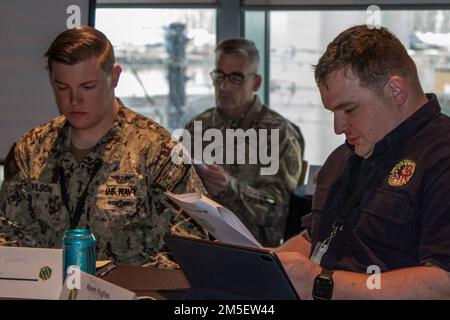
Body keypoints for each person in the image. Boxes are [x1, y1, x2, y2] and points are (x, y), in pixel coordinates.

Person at [0, 26, 206, 267]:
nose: (74, 100)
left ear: (115, 77)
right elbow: (7, 233)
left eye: (88, 87)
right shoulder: (31, 149)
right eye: (63, 87)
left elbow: (191, 243)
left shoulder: (157, 151)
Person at [275, 25, 450, 299]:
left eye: (349, 109)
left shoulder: (442, 158)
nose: (338, 127)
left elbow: (442, 283)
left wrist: (324, 284)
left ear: (396, 91)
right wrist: (261, 264)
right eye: (333, 111)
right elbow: (315, 240)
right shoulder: (343, 158)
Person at [185, 38, 304, 247]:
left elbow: (276, 208)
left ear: (256, 82)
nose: (224, 86)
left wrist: (228, 187)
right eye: (219, 76)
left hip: (250, 251)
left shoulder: (277, 133)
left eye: (236, 78)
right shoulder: (197, 127)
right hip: (196, 244)